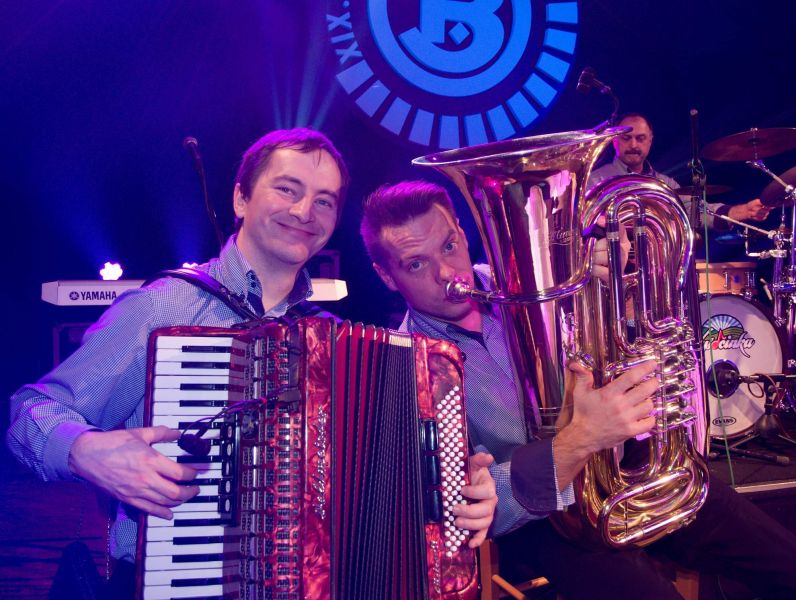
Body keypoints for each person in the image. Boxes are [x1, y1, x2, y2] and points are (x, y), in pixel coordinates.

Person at [7, 130, 496, 592]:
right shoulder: (167, 306)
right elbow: (31, 411)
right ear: (241, 199)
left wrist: (460, 493)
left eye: (324, 201)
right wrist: (85, 450)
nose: (304, 211)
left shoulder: (336, 342)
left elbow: (392, 486)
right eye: (287, 189)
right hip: (173, 585)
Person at [360, 179, 796, 599]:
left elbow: (611, 349)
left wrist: (612, 286)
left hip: (624, 466)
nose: (446, 273)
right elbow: (463, 504)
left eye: (449, 246)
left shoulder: (535, 282)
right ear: (385, 275)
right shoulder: (406, 368)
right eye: (415, 264)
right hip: (542, 518)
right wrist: (578, 442)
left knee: (783, 562)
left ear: (460, 230)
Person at [589, 113, 772, 228]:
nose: (634, 145)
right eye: (626, 138)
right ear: (614, 140)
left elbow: (698, 212)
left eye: (640, 138)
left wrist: (744, 211)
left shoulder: (666, 184)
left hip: (659, 270)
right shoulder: (595, 180)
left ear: (650, 140)